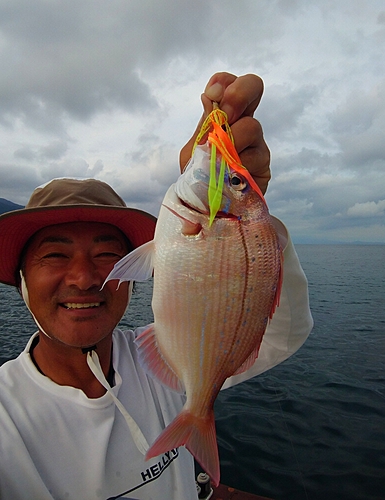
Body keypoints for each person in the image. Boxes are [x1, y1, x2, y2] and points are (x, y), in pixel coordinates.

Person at [0, 73, 313, 500]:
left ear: (140, 265)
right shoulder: (6, 418)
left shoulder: (163, 360)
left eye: (107, 254)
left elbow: (283, 333)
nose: (86, 277)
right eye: (54, 255)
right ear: (21, 280)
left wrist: (255, 235)